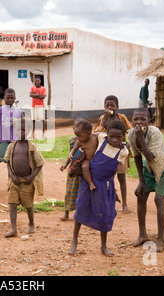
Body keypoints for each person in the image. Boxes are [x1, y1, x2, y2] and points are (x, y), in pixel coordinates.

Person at [69, 120, 129, 257]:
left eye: (118, 137)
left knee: (105, 214)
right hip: (88, 180)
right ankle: (74, 241)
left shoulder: (123, 152)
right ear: (106, 134)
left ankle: (104, 245)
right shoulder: (101, 138)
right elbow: (88, 136)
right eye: (111, 136)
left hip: (105, 184)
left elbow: (117, 169)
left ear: (123, 136)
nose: (113, 140)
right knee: (81, 208)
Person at [128, 107, 164, 252]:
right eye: (135, 119)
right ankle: (142, 234)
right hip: (149, 167)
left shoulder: (155, 133)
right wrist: (141, 181)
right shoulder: (131, 135)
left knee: (159, 199)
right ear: (132, 121)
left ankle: (161, 238)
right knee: (141, 196)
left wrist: (141, 138)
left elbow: (150, 156)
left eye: (143, 119)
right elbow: (137, 156)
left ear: (149, 121)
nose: (138, 122)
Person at [4, 118, 45, 237]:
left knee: (28, 205)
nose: (21, 132)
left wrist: (32, 177)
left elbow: (40, 163)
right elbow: (7, 162)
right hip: (14, 181)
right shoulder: (12, 146)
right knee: (12, 203)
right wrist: (12, 175)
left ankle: (31, 223)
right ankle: (13, 229)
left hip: (27, 181)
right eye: (18, 130)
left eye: (24, 130)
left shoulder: (32, 146)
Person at [94, 95, 133, 213]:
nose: (110, 107)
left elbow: (129, 131)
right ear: (104, 106)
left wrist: (128, 144)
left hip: (120, 152)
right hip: (107, 152)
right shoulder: (102, 118)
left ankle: (125, 204)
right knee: (108, 177)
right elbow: (96, 134)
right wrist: (104, 122)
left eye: (112, 105)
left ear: (117, 107)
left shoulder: (122, 117)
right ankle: (108, 201)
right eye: (107, 105)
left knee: (122, 177)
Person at [0, 88, 23, 173]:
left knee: (12, 159)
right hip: (3, 139)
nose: (10, 100)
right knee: (2, 157)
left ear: (15, 98)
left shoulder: (18, 111)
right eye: (8, 98)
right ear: (4, 98)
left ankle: (11, 178)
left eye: (12, 98)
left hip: (15, 140)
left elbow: (22, 125)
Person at [64, 118, 98, 191]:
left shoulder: (95, 137)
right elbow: (74, 149)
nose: (77, 138)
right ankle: (90, 183)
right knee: (84, 167)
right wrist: (70, 155)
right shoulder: (80, 142)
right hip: (87, 160)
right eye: (77, 136)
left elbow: (104, 134)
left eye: (79, 136)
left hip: (96, 159)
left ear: (88, 133)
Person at [59, 123, 82, 221]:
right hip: (73, 169)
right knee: (70, 191)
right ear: (73, 129)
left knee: (82, 192)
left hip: (84, 171)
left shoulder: (89, 141)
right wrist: (65, 165)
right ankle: (66, 212)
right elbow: (70, 154)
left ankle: (81, 214)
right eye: (76, 128)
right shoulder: (72, 141)